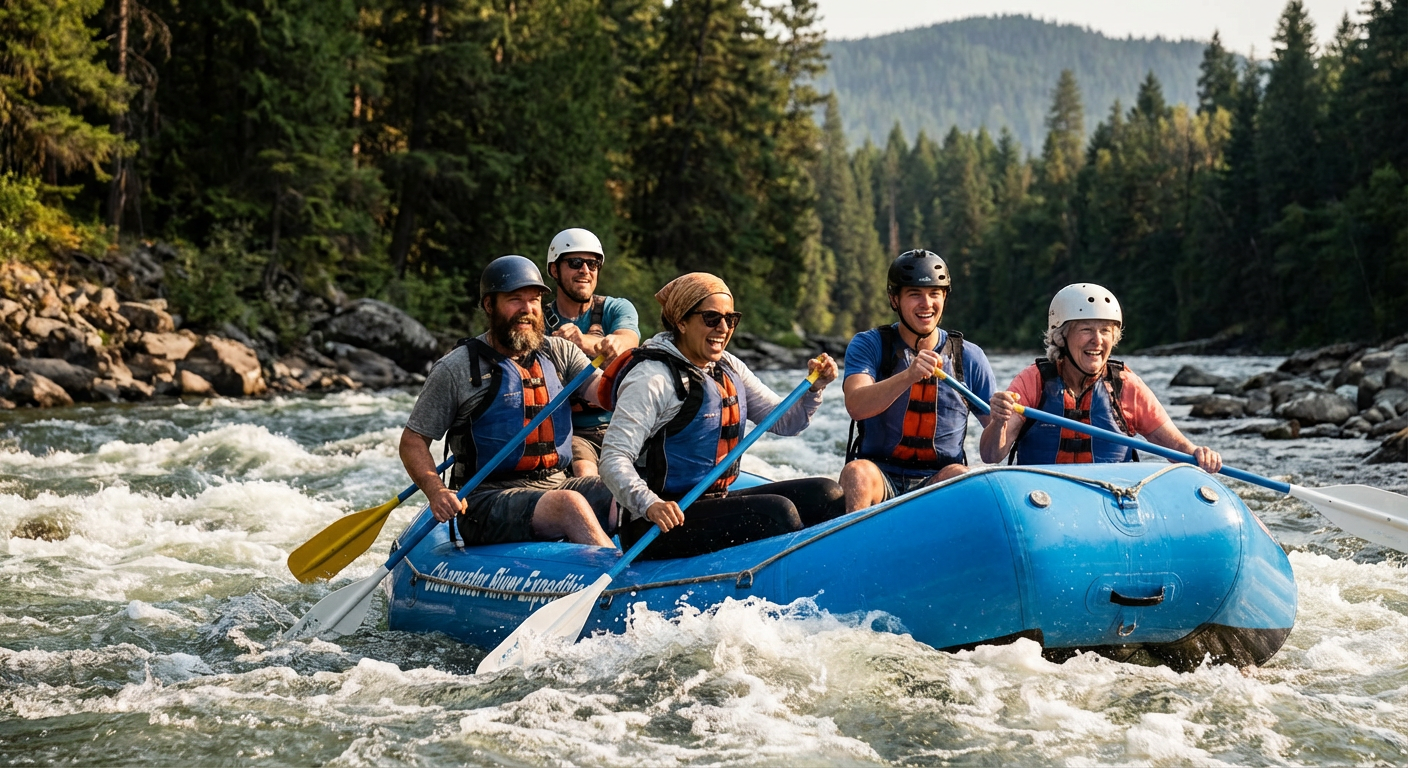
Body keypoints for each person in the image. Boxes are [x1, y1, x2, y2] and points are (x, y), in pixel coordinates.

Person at [598, 273, 845, 560]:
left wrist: (815, 388)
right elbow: (613, 459)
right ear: (681, 321)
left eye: (731, 318)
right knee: (779, 514)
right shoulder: (652, 378)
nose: (724, 328)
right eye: (712, 318)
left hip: (712, 503)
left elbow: (787, 422)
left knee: (826, 493)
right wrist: (651, 504)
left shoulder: (728, 366)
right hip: (656, 522)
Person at [399, 255, 616, 548]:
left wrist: (646, 374)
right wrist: (436, 491)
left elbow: (606, 393)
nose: (527, 310)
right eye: (516, 300)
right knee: (569, 504)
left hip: (556, 482)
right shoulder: (457, 368)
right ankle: (614, 584)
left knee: (622, 490)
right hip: (485, 500)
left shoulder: (559, 353)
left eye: (535, 300)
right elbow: (413, 441)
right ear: (490, 306)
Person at [979, 283, 1224, 472]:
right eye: (1086, 329)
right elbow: (991, 456)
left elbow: (1177, 447)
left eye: (1105, 330)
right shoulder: (1034, 381)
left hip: (1109, 502)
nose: (1097, 340)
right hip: (1042, 501)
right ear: (1061, 337)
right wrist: (998, 422)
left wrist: (1198, 453)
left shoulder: (1125, 385)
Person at [838, 250, 997, 512]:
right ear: (894, 299)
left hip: (936, 482)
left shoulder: (969, 356)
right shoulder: (869, 344)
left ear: (944, 297)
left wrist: (1001, 422)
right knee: (857, 473)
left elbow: (995, 454)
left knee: (961, 475)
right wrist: (908, 376)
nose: (926, 303)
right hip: (880, 477)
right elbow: (856, 405)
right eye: (914, 294)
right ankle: (853, 549)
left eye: (935, 293)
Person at [544, 228, 641, 477]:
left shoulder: (617, 308)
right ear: (555, 270)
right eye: (575, 263)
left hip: (624, 426)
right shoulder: (537, 321)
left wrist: (583, 341)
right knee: (585, 470)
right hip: (572, 432)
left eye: (593, 264)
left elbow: (626, 341)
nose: (585, 271)